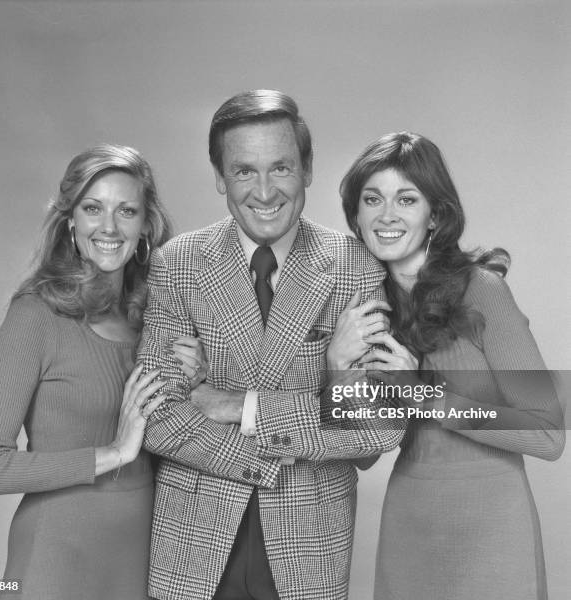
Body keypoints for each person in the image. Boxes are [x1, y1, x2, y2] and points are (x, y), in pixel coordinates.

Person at [138, 90, 405, 600]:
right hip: (192, 540)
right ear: (220, 177)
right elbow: (157, 416)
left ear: (307, 168)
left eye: (280, 168)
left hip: (309, 545)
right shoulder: (177, 264)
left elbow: (378, 426)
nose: (264, 191)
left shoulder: (355, 265)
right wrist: (311, 413)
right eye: (243, 171)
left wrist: (237, 405)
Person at [329, 131, 565, 600]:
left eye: (407, 199)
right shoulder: (364, 310)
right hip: (410, 519)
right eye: (372, 199)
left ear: (435, 214)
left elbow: (549, 433)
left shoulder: (481, 291)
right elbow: (362, 454)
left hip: (492, 522)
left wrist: (422, 394)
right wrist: (337, 370)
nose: (387, 215)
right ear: (356, 216)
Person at [0, 144, 176, 600]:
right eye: (93, 208)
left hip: (140, 556)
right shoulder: (35, 316)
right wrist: (114, 452)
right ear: (71, 221)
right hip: (56, 558)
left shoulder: (155, 322)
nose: (109, 227)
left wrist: (191, 379)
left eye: (126, 210)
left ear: (144, 226)